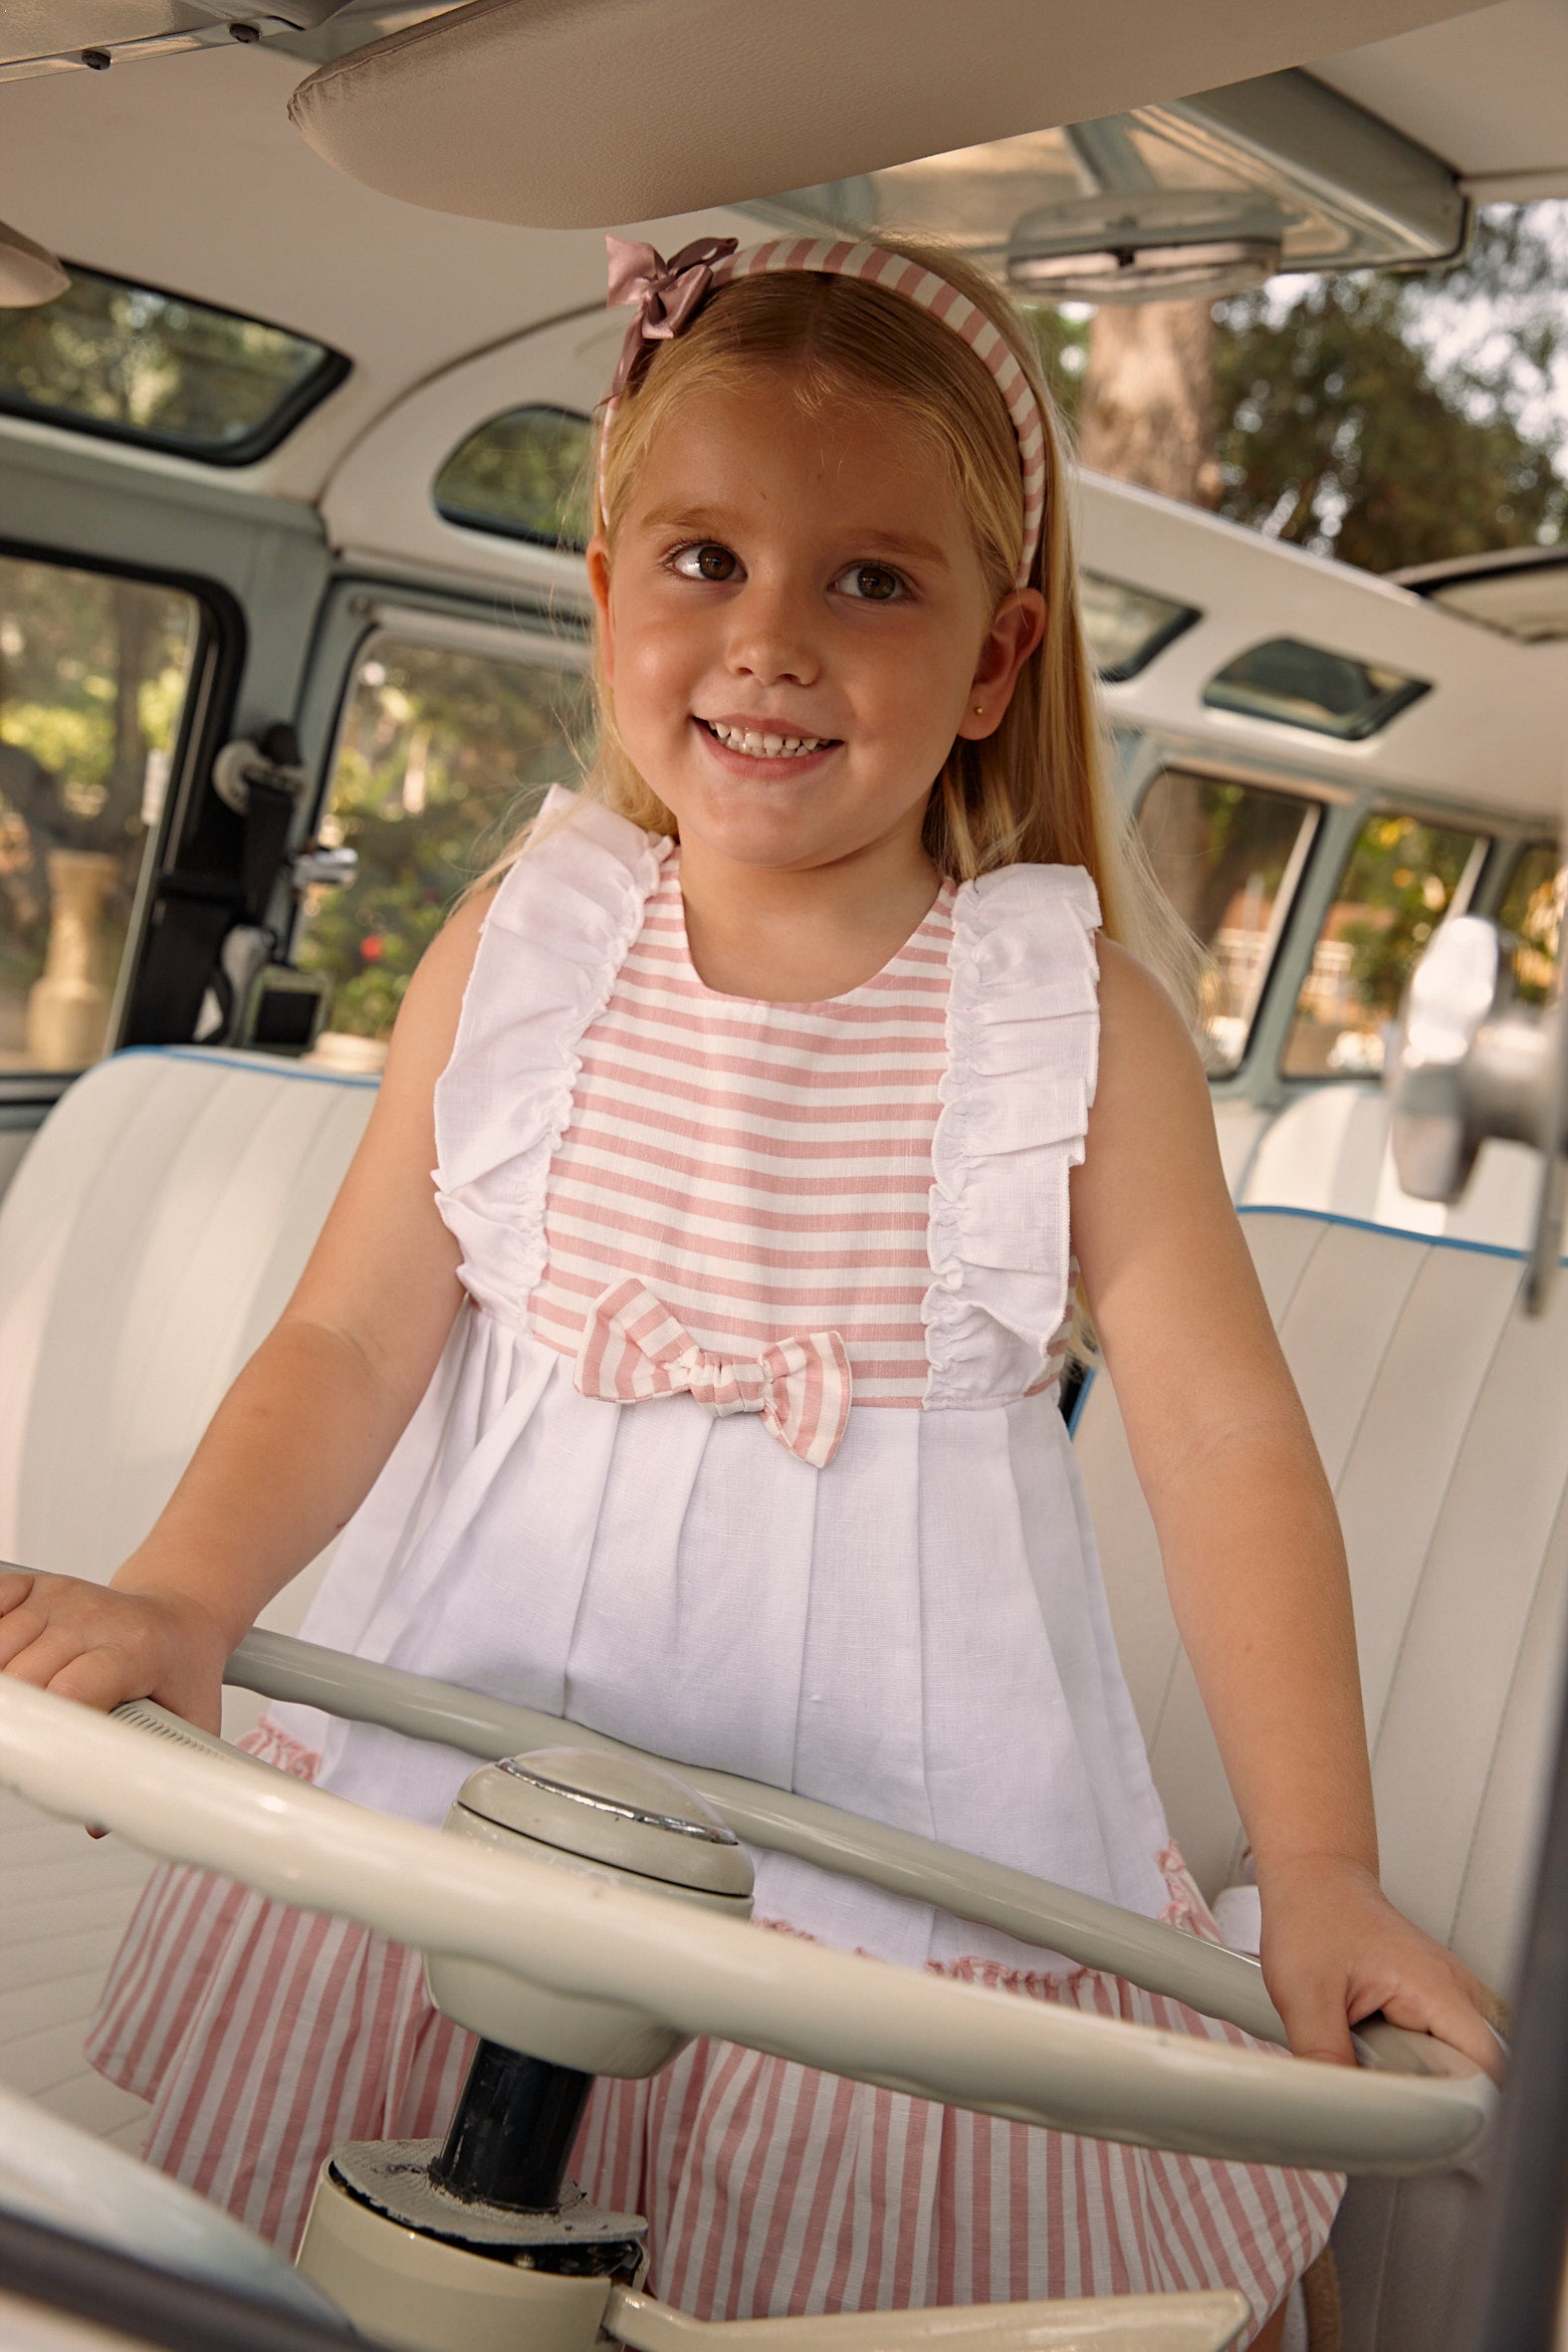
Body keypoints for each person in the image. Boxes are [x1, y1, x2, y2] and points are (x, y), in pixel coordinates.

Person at [0, 233, 1499, 2349]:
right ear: (606, 593)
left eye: (870, 581)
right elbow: (345, 1337)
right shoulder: (523, 936)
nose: (769, 639)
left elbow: (1224, 1438)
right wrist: (177, 1596)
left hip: (907, 1812)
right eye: (701, 557)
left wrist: (1316, 1860)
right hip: (497, 1758)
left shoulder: (1059, 1015)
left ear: (993, 660)